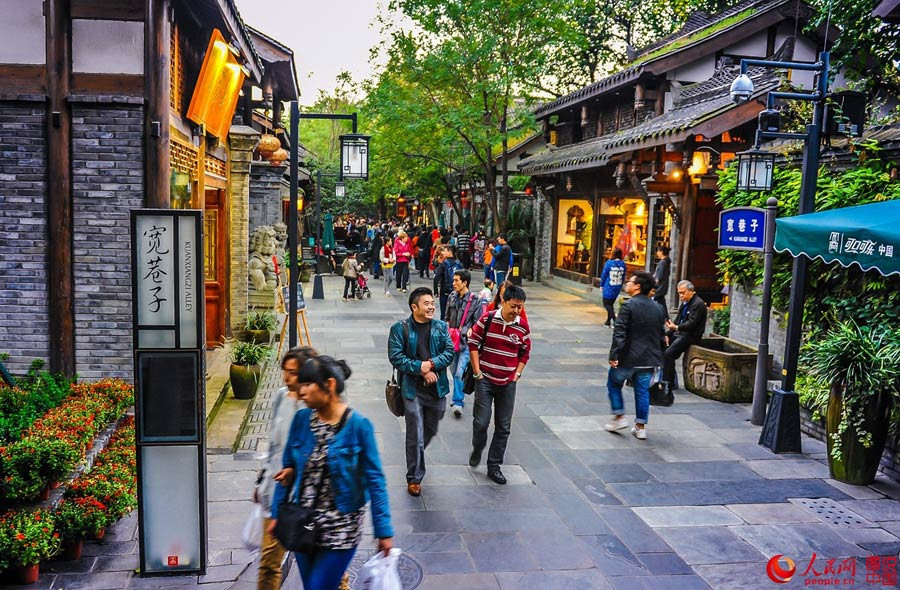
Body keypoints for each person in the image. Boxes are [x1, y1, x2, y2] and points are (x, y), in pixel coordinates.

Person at [268, 355, 393, 590]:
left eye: (308, 384)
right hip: (305, 524)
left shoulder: (359, 426)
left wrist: (383, 530)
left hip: (341, 529)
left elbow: (375, 480)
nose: (301, 391)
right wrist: (276, 512)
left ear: (330, 385)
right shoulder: (301, 420)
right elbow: (287, 468)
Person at [256, 346, 318, 590]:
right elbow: (274, 444)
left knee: (324, 568)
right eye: (285, 371)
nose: (287, 377)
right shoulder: (282, 396)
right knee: (268, 563)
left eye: (293, 372)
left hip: (306, 501)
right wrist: (262, 478)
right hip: (277, 495)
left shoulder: (315, 406)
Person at [387, 287, 455, 496]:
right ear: (414, 307)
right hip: (411, 389)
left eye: (432, 303)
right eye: (426, 304)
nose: (431, 307)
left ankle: (415, 451)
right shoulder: (400, 328)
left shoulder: (440, 327)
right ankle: (414, 477)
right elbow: (396, 357)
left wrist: (430, 365)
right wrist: (420, 368)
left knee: (430, 429)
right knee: (415, 432)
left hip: (437, 388)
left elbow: (449, 352)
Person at [468, 284, 531, 485]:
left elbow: (525, 352)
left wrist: (517, 374)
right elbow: (473, 343)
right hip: (485, 379)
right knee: (481, 422)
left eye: (520, 307)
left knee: (503, 427)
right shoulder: (487, 319)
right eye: (513, 306)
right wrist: (477, 372)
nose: (516, 311)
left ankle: (494, 465)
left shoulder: (522, 326)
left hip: (508, 383)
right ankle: (478, 447)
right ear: (503, 301)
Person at [603, 271, 666, 440]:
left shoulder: (628, 306)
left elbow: (620, 332)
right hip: (649, 358)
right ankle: (640, 427)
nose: (627, 284)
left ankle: (619, 416)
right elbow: (661, 335)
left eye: (630, 281)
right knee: (642, 391)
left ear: (637, 286)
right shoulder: (658, 308)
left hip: (629, 357)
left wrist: (614, 355)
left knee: (613, 383)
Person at [444, 269, 485, 418]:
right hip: (451, 340)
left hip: (466, 342)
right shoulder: (452, 297)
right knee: (454, 370)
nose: (453, 283)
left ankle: (457, 402)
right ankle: (458, 393)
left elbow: (479, 322)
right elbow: (446, 317)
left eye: (456, 280)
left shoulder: (475, 300)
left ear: (465, 282)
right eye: (453, 280)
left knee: (459, 372)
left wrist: (470, 329)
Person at [663, 280, 707, 393]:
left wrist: (676, 327)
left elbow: (692, 324)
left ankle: (668, 383)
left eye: (683, 293)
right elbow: (678, 320)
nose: (681, 296)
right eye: (679, 293)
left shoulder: (698, 304)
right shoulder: (684, 303)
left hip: (690, 336)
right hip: (680, 333)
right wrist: (668, 333)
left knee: (669, 354)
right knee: (661, 345)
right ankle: (670, 379)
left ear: (691, 291)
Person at [599, 248, 627, 327]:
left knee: (606, 304)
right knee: (610, 304)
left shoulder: (609, 263)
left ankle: (615, 320)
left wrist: (601, 285)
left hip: (609, 286)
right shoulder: (623, 264)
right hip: (617, 286)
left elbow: (604, 274)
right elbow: (623, 276)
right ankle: (608, 322)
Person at [436, 246, 463, 319]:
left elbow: (436, 277)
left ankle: (443, 325)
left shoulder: (443, 264)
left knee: (443, 313)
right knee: (456, 312)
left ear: (450, 252)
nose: (443, 253)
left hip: (445, 291)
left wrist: (436, 291)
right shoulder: (459, 264)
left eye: (445, 251)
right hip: (457, 292)